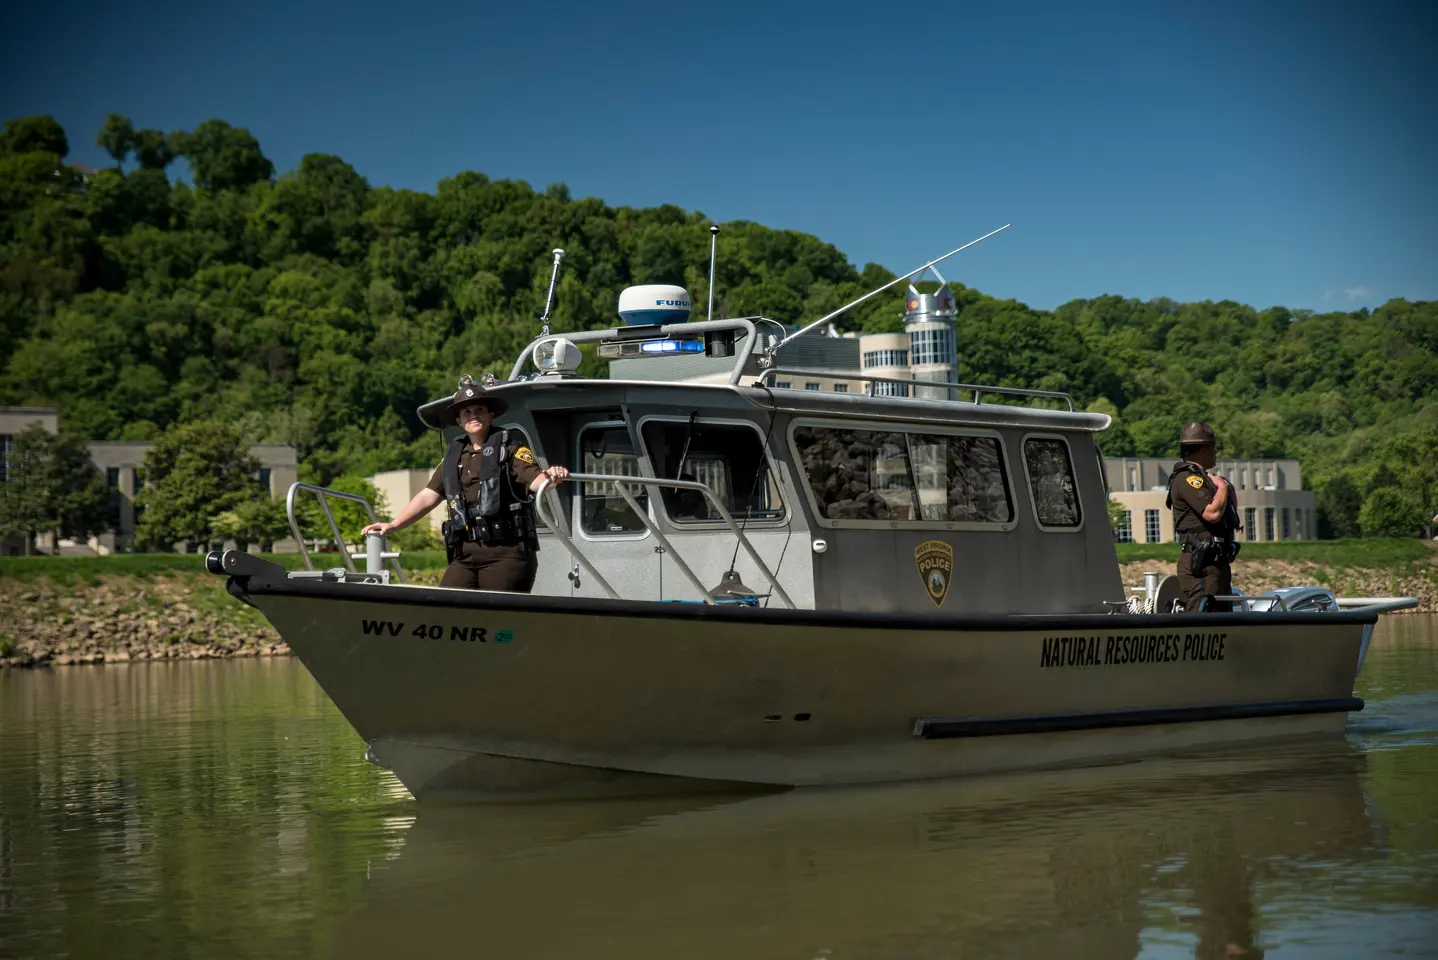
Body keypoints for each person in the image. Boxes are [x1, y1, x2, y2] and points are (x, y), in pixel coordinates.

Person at [360, 382, 568, 591]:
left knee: (497, 617)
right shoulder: (453, 457)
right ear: (459, 421)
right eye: (467, 412)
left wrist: (551, 476)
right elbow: (428, 496)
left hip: (505, 554)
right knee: (445, 610)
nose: (473, 416)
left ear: (490, 414)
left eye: (479, 410)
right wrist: (394, 525)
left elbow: (537, 483)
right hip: (465, 554)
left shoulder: (511, 450)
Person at [1166, 422, 1241, 612]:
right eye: (1213, 447)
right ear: (1202, 449)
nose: (1215, 452)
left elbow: (1228, 514)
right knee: (1203, 622)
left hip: (1216, 564)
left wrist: (1226, 489)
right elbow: (1213, 513)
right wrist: (1222, 487)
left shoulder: (1205, 479)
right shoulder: (1188, 478)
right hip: (1202, 566)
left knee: (1222, 626)